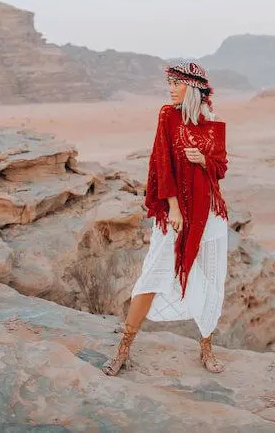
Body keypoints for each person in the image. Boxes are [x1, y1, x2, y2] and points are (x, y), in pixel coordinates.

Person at [102, 61, 229, 376]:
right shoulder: (168, 116)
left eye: (176, 83)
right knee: (152, 277)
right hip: (176, 215)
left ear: (193, 88)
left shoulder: (212, 124)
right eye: (169, 83)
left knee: (211, 281)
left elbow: (221, 167)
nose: (171, 88)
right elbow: (162, 163)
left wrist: (204, 160)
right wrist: (173, 207)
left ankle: (206, 349)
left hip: (209, 214)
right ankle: (122, 350)